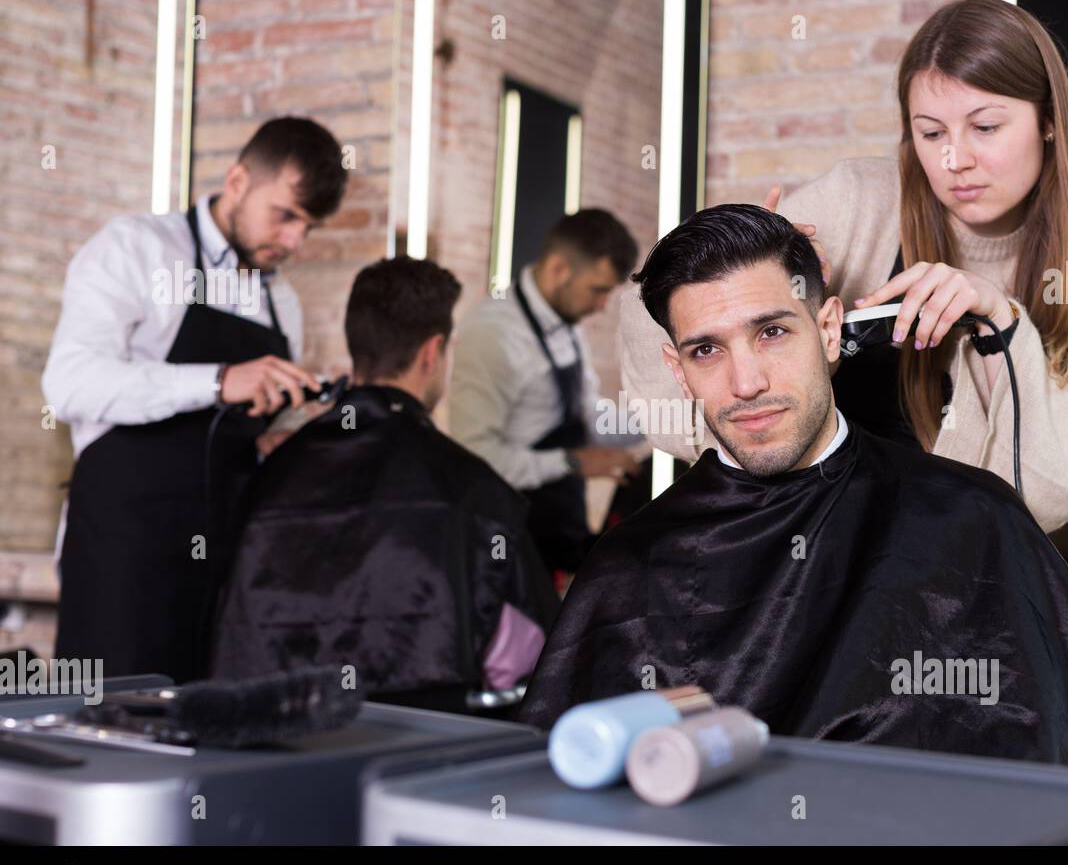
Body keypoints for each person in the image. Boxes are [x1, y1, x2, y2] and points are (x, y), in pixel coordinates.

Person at [519, 204, 1068, 769]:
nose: (746, 382)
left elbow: (1057, 756)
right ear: (677, 372)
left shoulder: (972, 517)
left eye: (772, 332)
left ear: (827, 329)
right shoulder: (631, 566)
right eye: (707, 350)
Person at [618, 0, 1068, 532]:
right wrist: (751, 295)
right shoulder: (859, 200)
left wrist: (1000, 320)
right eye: (931, 132)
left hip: (967, 570)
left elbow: (1058, 492)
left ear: (1050, 121)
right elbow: (649, 311)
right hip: (808, 548)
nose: (954, 160)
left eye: (985, 127)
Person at [43, 117, 347, 682]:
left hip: (226, 564)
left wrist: (283, 430)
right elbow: (69, 383)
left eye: (308, 227)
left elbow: (240, 428)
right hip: (124, 558)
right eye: (285, 216)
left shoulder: (281, 300)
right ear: (237, 181)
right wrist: (216, 379)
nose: (293, 242)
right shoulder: (137, 249)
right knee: (112, 733)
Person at [211, 257, 558, 714]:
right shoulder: (475, 489)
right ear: (433, 352)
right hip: (423, 760)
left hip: (270, 748)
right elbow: (534, 664)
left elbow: (228, 638)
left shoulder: (270, 475)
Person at [449, 209, 644, 575]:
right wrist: (573, 462)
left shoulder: (566, 326)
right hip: (507, 538)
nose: (602, 305)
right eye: (597, 290)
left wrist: (665, 418)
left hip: (558, 525)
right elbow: (475, 460)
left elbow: (589, 416)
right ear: (559, 269)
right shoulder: (492, 334)